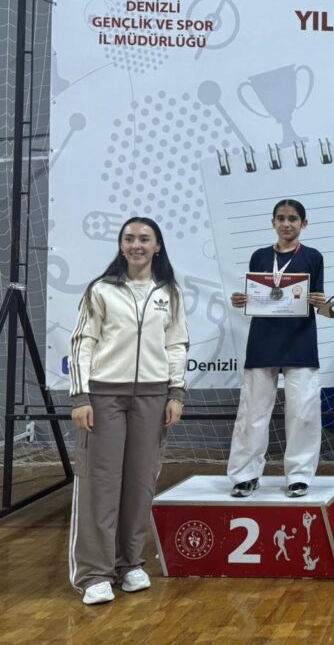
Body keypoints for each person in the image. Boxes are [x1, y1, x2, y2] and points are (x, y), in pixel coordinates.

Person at [68, 217, 189, 605]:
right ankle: (94, 574)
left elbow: (176, 345)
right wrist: (81, 397)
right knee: (101, 485)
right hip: (104, 398)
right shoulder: (101, 290)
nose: (136, 245)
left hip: (152, 399)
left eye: (144, 239)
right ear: (121, 246)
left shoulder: (169, 292)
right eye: (129, 238)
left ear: (157, 246)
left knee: (140, 484)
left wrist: (176, 392)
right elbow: (82, 343)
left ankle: (130, 563)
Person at [227, 199, 328, 498]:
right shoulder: (259, 256)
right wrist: (242, 300)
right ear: (273, 222)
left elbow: (320, 302)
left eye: (293, 219)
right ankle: (245, 475)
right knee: (252, 412)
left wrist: (321, 302)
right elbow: (257, 294)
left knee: (303, 412)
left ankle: (299, 476)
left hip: (300, 340)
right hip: (263, 340)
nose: (286, 224)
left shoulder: (313, 256)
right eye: (281, 218)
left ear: (303, 224)